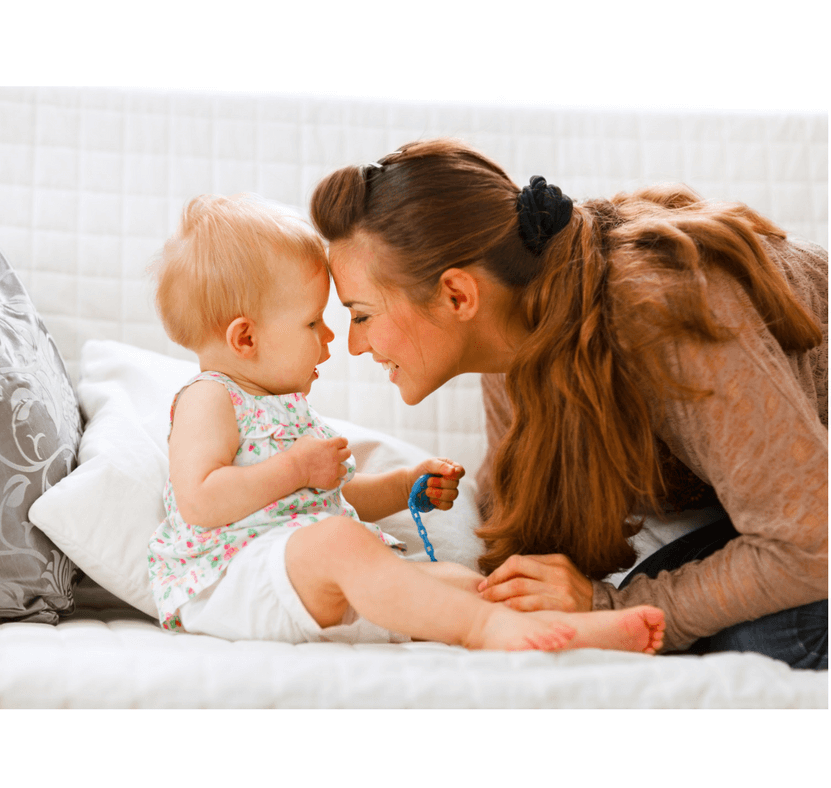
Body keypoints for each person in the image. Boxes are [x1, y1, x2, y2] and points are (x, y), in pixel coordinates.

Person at [310, 138, 827, 669]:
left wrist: (611, 606)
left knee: (767, 640)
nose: (353, 343)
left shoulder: (658, 311)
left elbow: (811, 544)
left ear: (457, 295)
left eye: (362, 313)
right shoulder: (515, 343)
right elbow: (521, 531)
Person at [146, 192, 666, 654]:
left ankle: (578, 633)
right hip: (231, 580)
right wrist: (296, 468)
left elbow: (336, 499)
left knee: (455, 580)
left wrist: (402, 487)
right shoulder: (210, 398)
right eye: (312, 322)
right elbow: (201, 499)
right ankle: (482, 630)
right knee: (340, 543)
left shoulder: (288, 411)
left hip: (307, 573)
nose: (332, 339)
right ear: (245, 338)